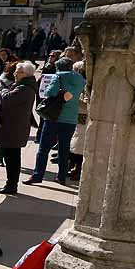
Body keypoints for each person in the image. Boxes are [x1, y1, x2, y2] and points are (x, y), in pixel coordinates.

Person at [26, 56, 84, 185]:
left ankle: (37, 175)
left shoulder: (58, 76)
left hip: (54, 117)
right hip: (71, 118)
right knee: (64, 148)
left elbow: (50, 92)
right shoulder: (80, 79)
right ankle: (61, 176)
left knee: (43, 148)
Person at [0, 62, 37, 195]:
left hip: (14, 129)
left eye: (17, 72)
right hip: (13, 127)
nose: (14, 74)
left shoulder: (25, 88)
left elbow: (7, 98)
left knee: (12, 159)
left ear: (25, 74)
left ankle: (11, 185)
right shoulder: (23, 86)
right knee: (11, 157)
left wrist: (4, 90)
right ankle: (11, 183)